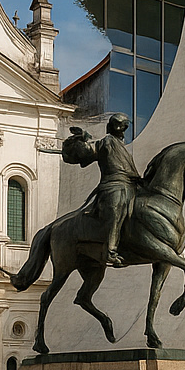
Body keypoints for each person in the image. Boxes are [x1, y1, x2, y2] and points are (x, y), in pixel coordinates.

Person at [65, 113, 139, 266]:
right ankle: (110, 250)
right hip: (113, 185)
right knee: (117, 208)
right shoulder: (106, 142)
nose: (124, 130)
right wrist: (80, 140)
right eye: (123, 126)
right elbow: (86, 153)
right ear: (117, 127)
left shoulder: (121, 146)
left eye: (125, 127)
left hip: (130, 184)